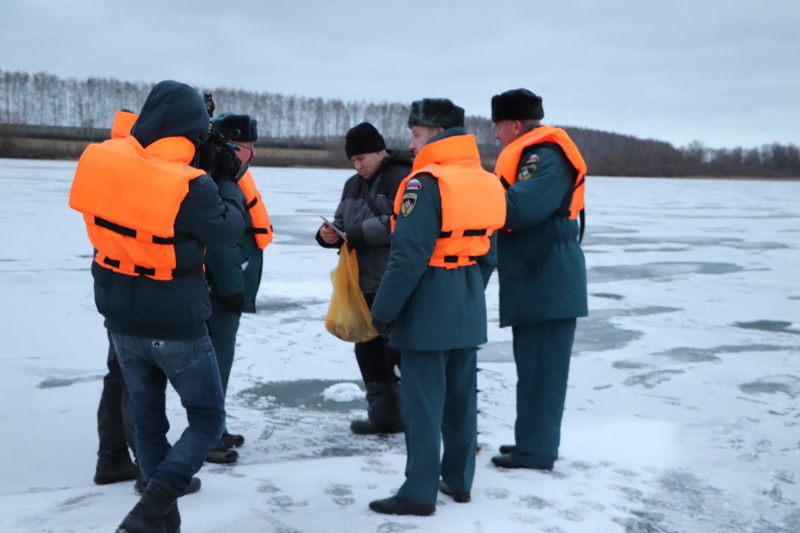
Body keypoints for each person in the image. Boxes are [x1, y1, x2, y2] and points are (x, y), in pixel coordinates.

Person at [70, 80, 247, 533]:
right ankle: (153, 507)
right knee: (207, 418)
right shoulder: (189, 184)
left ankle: (160, 524)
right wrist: (226, 177)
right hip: (177, 321)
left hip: (120, 316)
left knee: (149, 422)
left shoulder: (104, 160)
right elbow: (228, 232)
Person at [367, 99, 506, 516]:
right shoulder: (485, 180)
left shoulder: (423, 183)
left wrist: (383, 311)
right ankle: (459, 481)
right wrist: (466, 290)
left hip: (427, 299)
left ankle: (419, 491)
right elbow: (490, 252)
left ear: (438, 134)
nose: (410, 143)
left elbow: (408, 258)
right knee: (461, 399)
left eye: (416, 133)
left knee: (423, 403)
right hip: (466, 297)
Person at [93, 110, 201, 496]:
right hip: (138, 290)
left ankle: (111, 458)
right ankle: (150, 468)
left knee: (117, 374)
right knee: (132, 382)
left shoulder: (111, 165)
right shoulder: (139, 167)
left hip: (114, 288)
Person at [488, 88, 588, 472]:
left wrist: (475, 195)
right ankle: (531, 441)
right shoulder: (534, 155)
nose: (496, 136)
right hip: (537, 273)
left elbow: (519, 208)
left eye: (498, 127)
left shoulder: (545, 157)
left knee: (543, 370)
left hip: (548, 276)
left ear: (515, 125)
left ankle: (538, 451)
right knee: (532, 367)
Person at [316, 122, 413, 435]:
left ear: (379, 151)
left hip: (394, 281)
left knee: (397, 351)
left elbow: (400, 223)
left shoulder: (403, 177)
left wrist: (354, 235)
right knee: (367, 351)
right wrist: (327, 234)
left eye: (362, 159)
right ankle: (384, 417)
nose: (358, 166)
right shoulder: (352, 184)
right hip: (361, 284)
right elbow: (342, 221)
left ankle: (414, 419)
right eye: (353, 161)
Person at [204, 113, 273, 464]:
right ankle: (209, 436)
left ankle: (216, 427)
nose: (254, 155)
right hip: (218, 292)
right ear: (232, 146)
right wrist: (233, 287)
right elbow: (220, 240)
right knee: (215, 363)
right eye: (249, 148)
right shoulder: (216, 178)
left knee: (220, 363)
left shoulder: (225, 174)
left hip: (225, 286)